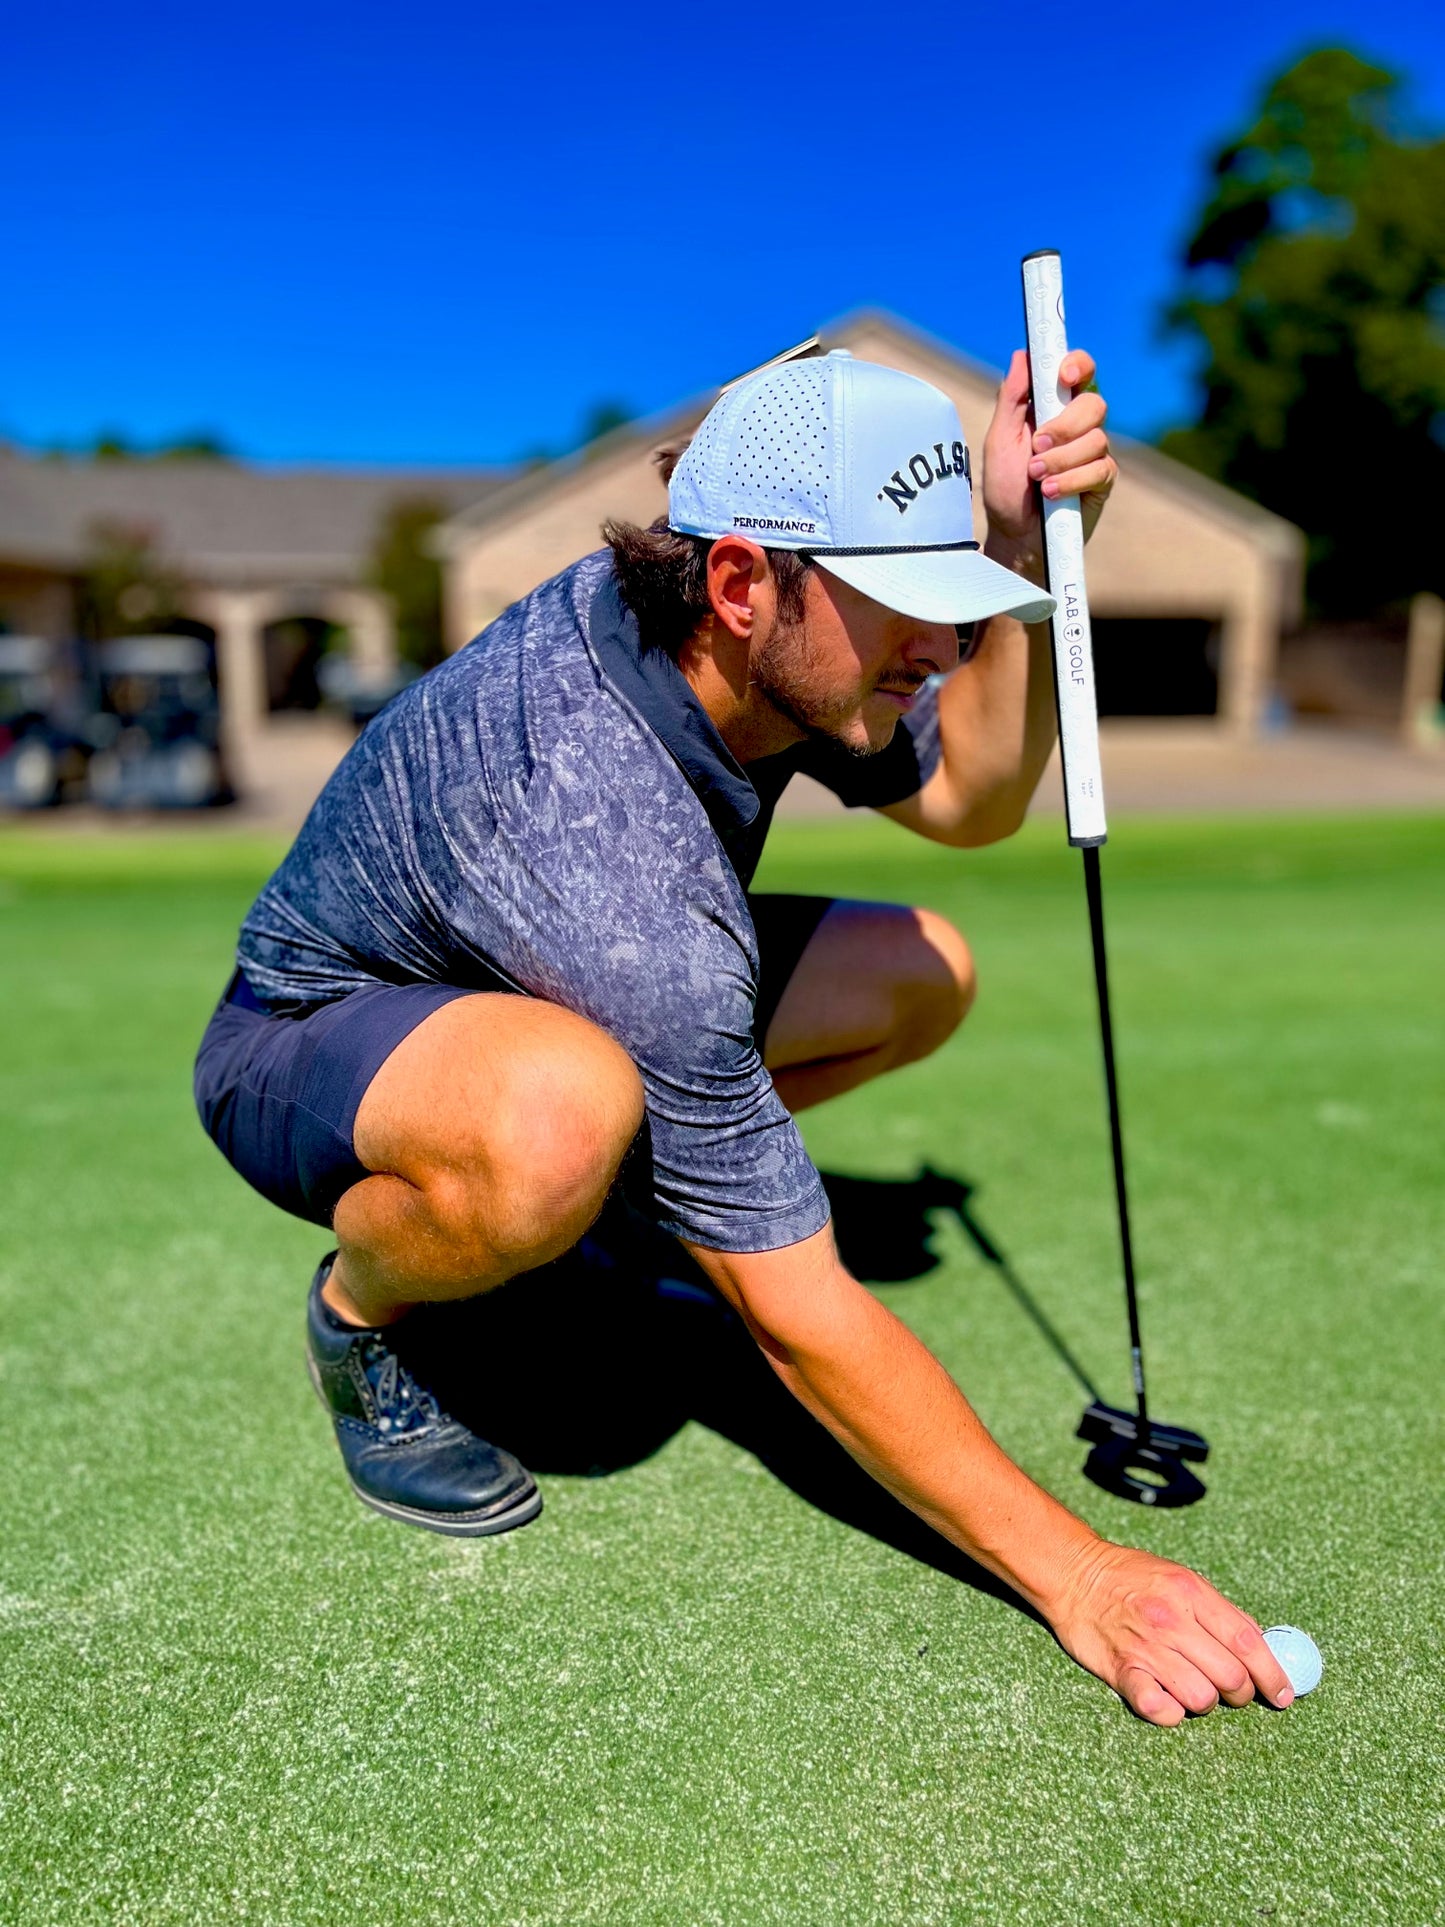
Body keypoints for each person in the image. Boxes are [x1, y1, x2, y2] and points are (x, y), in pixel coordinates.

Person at [195, 346, 1294, 1727]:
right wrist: (1080, 1577)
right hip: (308, 1047)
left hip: (541, 983)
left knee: (919, 969)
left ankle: (587, 1220)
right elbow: (797, 1322)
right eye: (909, 602)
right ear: (736, 582)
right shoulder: (603, 824)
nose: (942, 648)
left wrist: (1010, 549)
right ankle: (366, 1318)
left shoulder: (753, 637)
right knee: (556, 1125)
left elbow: (970, 803)